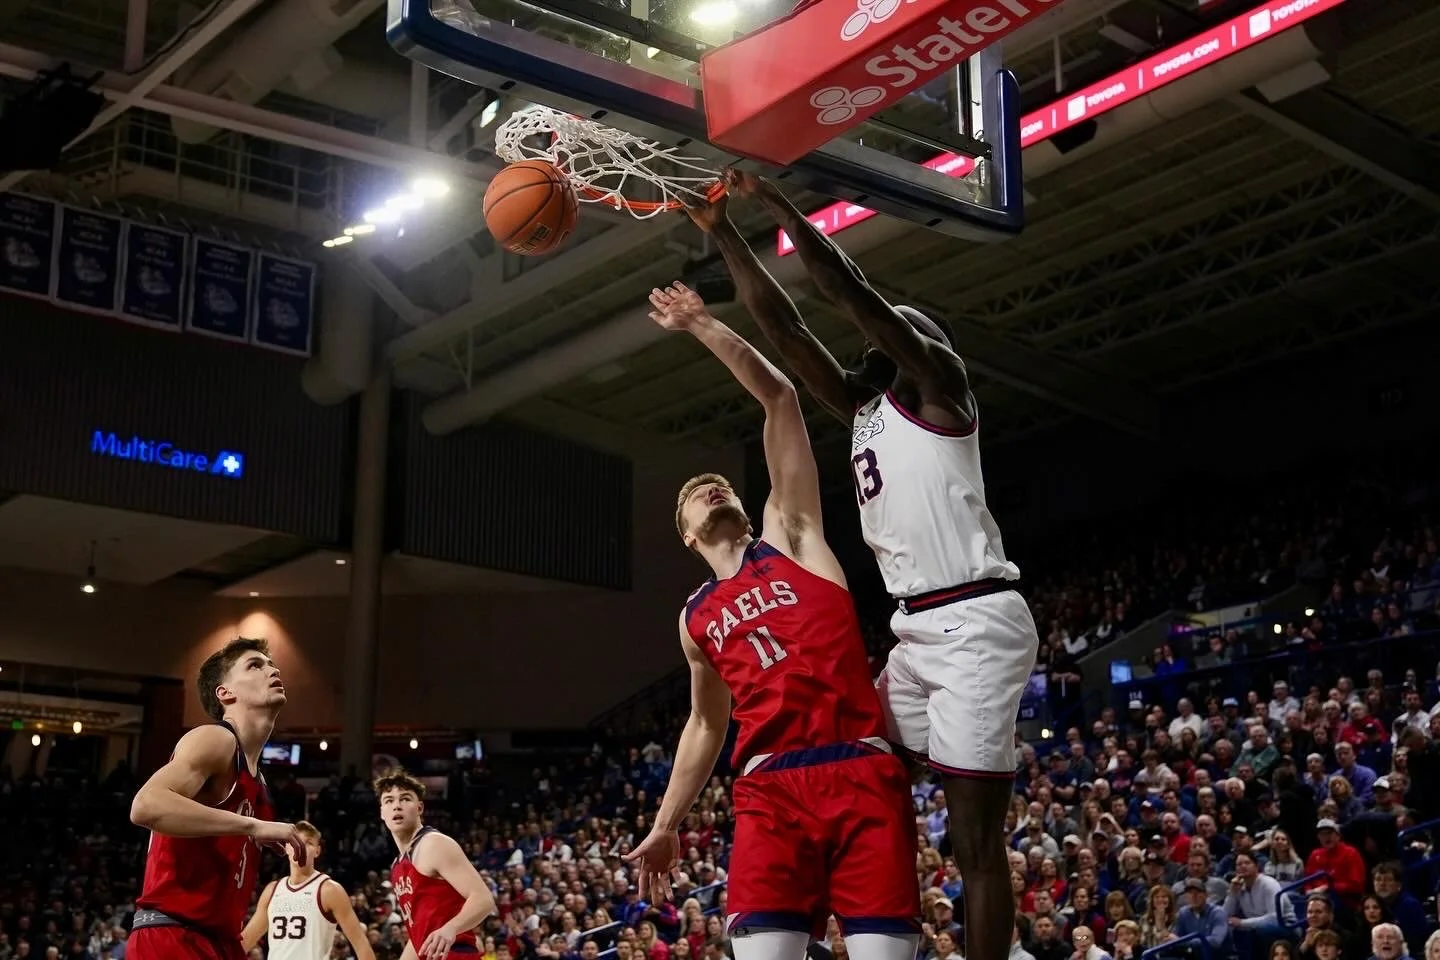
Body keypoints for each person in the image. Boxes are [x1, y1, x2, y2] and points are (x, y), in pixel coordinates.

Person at [683, 171, 1038, 960]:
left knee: (974, 843)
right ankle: (816, 916)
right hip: (916, 632)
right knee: (858, 758)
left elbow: (850, 293)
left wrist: (779, 206)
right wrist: (724, 233)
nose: (890, 335)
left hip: (975, 618)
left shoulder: (941, 392)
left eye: (903, 331)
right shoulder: (865, 410)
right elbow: (784, 331)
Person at [628, 281, 921, 960]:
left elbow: (781, 397)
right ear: (686, 535)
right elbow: (705, 723)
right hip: (769, 791)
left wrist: (701, 323)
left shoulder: (791, 536)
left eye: (719, 484)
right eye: (695, 495)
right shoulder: (695, 618)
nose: (711, 487)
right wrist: (668, 822)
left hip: (859, 772)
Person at [128, 638, 305, 960]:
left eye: (270, 664)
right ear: (225, 693)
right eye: (255, 665)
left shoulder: (258, 782)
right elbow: (146, 805)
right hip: (174, 933)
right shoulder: (215, 739)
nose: (272, 669)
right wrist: (252, 826)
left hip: (220, 940)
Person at [378, 769, 497, 960]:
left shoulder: (434, 843)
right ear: (382, 813)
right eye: (389, 801)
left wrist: (452, 928)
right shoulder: (397, 866)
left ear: (420, 808)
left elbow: (483, 899)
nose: (397, 806)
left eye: (405, 799)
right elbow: (419, 936)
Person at [241, 821, 377, 960]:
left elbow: (361, 944)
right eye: (296, 841)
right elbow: (245, 941)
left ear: (317, 851)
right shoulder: (272, 890)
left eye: (308, 843)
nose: (301, 847)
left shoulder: (329, 890)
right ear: (287, 847)